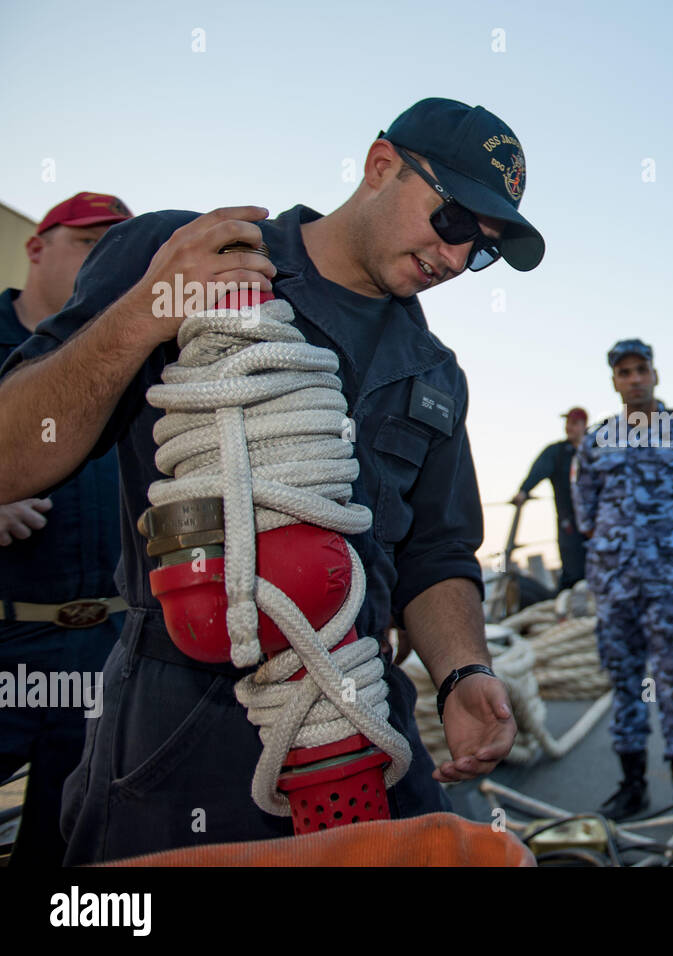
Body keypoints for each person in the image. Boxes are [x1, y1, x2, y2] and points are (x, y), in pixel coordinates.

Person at [0, 98, 539, 863]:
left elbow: (438, 555)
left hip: (363, 712)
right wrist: (148, 314)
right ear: (381, 165)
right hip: (184, 717)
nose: (456, 261)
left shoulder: (436, 377)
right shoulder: (186, 253)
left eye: (480, 252)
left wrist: (461, 672)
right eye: (453, 223)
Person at [0, 193, 132, 864]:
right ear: (36, 247)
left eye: (115, 251)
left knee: (65, 843)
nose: (99, 263)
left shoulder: (134, 364)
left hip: (102, 652)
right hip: (4, 636)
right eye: (87, 244)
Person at [572, 338, 673, 844]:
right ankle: (633, 785)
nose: (634, 379)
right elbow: (587, 516)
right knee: (624, 681)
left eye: (642, 370)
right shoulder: (595, 442)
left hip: (671, 580)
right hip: (615, 583)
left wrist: (671, 550)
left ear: (655, 374)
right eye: (624, 372)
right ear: (614, 381)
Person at [512, 407, 588, 590]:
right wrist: (524, 490)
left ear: (584, 425)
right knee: (572, 570)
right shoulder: (557, 452)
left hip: (599, 520)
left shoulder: (595, 452)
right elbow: (538, 470)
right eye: (567, 423)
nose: (569, 427)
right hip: (568, 522)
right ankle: (570, 607)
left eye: (574, 423)